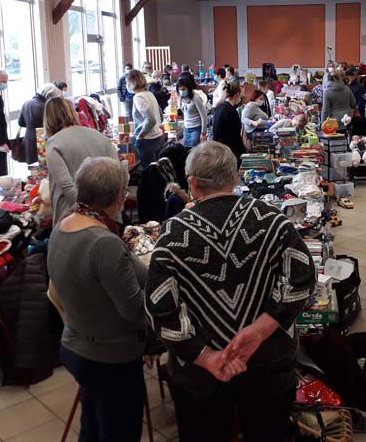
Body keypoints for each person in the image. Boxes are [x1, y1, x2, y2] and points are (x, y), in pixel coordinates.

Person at [145, 141, 316, 442]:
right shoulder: (274, 221)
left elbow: (161, 313)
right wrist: (261, 330)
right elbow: (302, 281)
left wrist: (206, 356)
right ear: (236, 178)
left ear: (193, 184)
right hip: (269, 366)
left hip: (199, 377)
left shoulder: (171, 235)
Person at [48, 157, 147, 442]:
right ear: (118, 198)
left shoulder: (63, 226)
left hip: (77, 347)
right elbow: (134, 311)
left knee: (92, 427)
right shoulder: (103, 242)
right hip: (110, 357)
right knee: (119, 431)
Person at [44, 97, 118, 225]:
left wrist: (90, 213)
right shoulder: (98, 135)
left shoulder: (54, 143)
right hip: (108, 213)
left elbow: (68, 188)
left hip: (73, 218)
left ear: (48, 119)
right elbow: (119, 173)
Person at [126, 69, 163, 166]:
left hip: (148, 140)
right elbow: (160, 115)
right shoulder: (149, 93)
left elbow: (151, 119)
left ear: (131, 82)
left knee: (149, 172)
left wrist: (141, 135)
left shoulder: (138, 97)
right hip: (158, 136)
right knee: (156, 169)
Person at [18, 83, 62, 165]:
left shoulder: (27, 103)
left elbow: (20, 122)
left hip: (29, 139)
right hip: (44, 139)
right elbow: (54, 124)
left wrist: (31, 126)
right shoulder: (47, 106)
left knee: (33, 169)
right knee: (46, 167)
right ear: (49, 94)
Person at [212, 80, 246, 160]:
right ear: (237, 94)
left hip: (218, 150)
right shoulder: (231, 111)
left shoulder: (219, 108)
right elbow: (235, 135)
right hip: (229, 152)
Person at [177, 75, 208, 148]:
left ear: (188, 88)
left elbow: (204, 116)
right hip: (186, 128)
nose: (181, 91)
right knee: (186, 150)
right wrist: (180, 99)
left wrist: (203, 132)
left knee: (193, 151)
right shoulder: (183, 97)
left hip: (196, 129)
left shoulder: (196, 98)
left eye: (183, 89)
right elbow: (183, 110)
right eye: (180, 90)